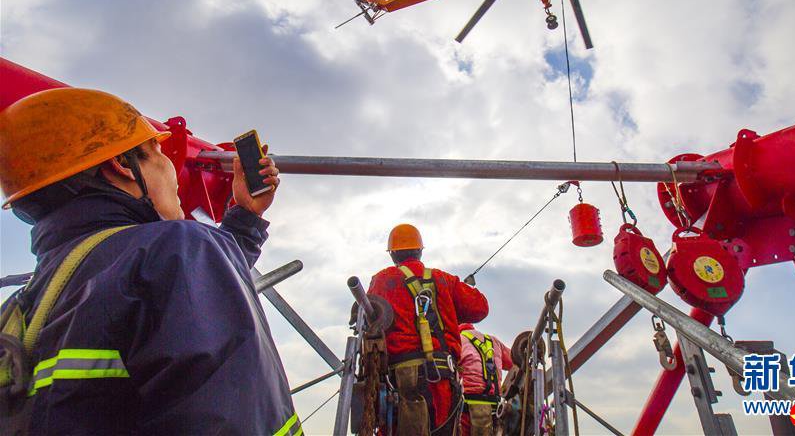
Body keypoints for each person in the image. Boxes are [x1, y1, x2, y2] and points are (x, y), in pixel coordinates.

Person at [0, 87, 300, 435]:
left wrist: (245, 218)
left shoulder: (29, 304)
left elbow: (174, 295)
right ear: (123, 165)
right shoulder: (175, 249)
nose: (172, 172)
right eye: (158, 152)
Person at [367, 224, 489, 436]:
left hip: (402, 381)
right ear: (420, 251)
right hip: (443, 380)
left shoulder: (383, 280)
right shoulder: (444, 280)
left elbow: (370, 321)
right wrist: (448, 307)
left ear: (393, 254)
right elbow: (480, 308)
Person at [458, 324, 512, 436]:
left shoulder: (459, 340)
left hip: (467, 408)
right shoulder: (493, 341)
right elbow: (514, 360)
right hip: (493, 409)